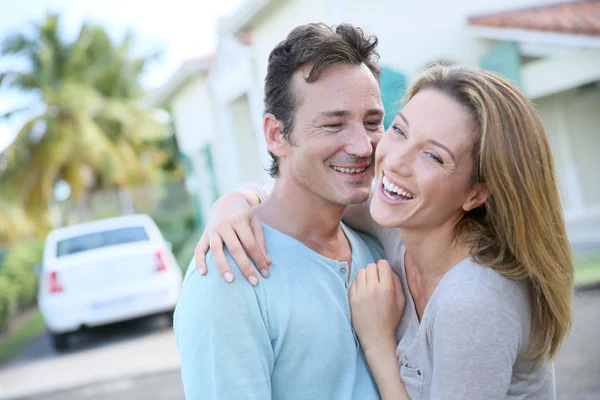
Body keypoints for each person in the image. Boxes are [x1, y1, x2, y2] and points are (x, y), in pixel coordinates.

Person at [194, 64, 575, 399]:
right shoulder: (401, 227)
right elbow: (307, 195)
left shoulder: (472, 300)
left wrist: (377, 343)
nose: (395, 161)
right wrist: (235, 203)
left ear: (476, 193)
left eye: (434, 156)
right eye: (400, 131)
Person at [173, 23, 405, 400]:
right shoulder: (227, 276)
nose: (364, 147)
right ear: (276, 135)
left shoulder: (378, 242)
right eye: (333, 124)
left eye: (372, 123)